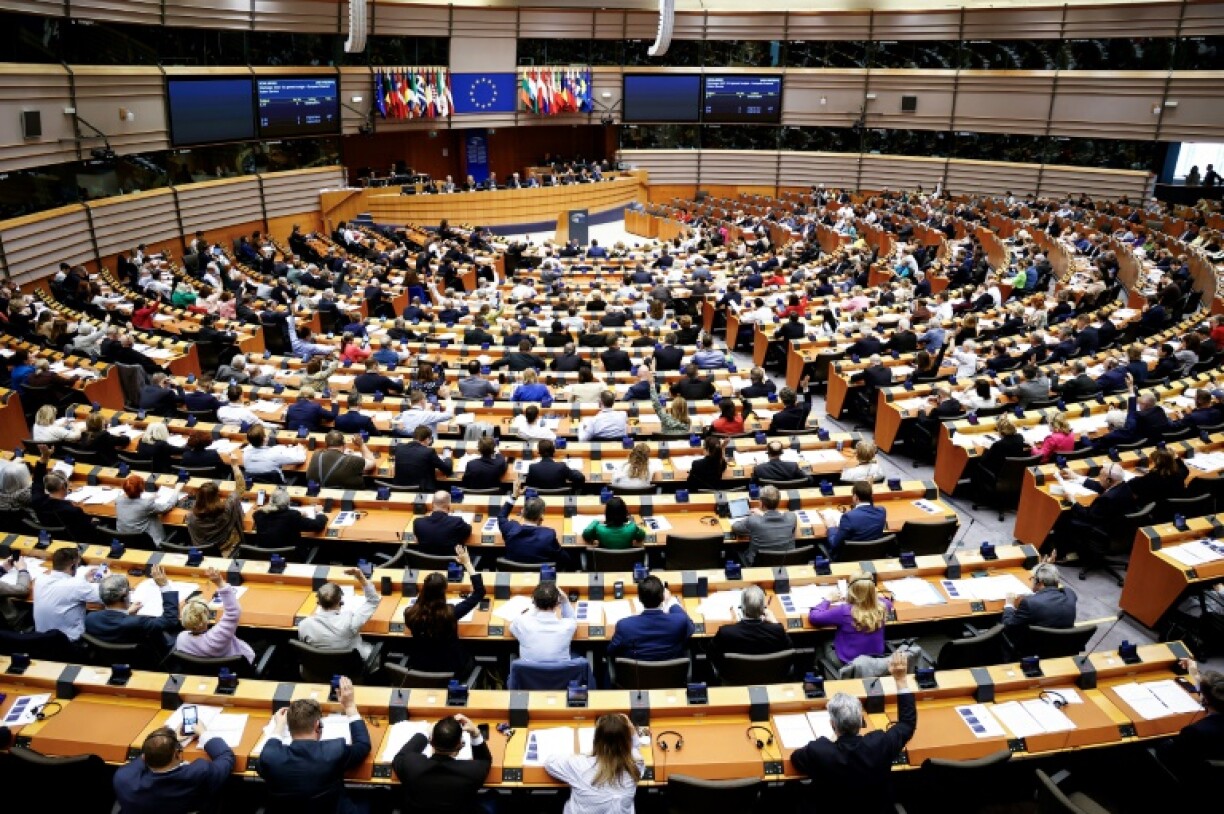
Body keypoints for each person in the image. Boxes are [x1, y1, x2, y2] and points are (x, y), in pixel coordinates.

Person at [791, 651, 916, 813]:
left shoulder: (820, 750)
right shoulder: (880, 744)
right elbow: (907, 723)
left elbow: (795, 759)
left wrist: (831, 739)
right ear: (861, 721)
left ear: (832, 725)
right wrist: (900, 680)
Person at [257, 678, 371, 814]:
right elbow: (363, 745)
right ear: (318, 725)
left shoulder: (270, 757)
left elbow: (269, 750)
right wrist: (350, 706)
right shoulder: (334, 751)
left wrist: (279, 727)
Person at [112, 725, 235, 814]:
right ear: (177, 754)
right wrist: (203, 733)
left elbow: (145, 757)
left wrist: (166, 744)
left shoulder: (123, 778)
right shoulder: (199, 773)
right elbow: (225, 757)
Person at [401, 546, 485, 673]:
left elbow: (422, 605)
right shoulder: (450, 613)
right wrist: (467, 563)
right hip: (452, 667)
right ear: (444, 591)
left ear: (423, 589)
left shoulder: (409, 613)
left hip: (421, 667)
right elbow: (479, 592)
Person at [392, 713, 492, 814]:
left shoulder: (411, 766)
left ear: (431, 741)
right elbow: (484, 761)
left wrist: (425, 733)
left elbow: (400, 757)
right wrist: (475, 733)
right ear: (460, 745)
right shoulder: (472, 771)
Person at [544, 713, 643, 814]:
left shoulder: (580, 765)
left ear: (596, 740)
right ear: (627, 741)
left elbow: (549, 763)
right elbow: (635, 748)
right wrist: (632, 731)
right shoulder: (636, 765)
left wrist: (576, 756)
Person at [1154, 656, 1224, 786]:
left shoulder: (1196, 732)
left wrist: (1162, 741)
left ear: (1205, 701)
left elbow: (1170, 755)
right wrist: (1195, 673)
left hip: (1198, 778)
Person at [807, 571, 893, 673]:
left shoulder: (844, 611)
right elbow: (881, 600)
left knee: (820, 641)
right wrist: (867, 595)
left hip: (848, 663)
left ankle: (819, 675)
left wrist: (827, 600)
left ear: (851, 591)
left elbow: (814, 617)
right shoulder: (884, 606)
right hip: (875, 661)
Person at [84, 565, 180, 655]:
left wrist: (127, 613)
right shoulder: (138, 622)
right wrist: (165, 586)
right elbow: (170, 620)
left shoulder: (90, 618)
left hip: (110, 659)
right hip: (151, 661)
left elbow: (115, 624)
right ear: (125, 595)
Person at [606, 575, 694, 670]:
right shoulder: (679, 621)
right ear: (662, 597)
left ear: (639, 598)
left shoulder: (624, 626)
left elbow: (611, 651)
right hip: (671, 678)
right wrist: (672, 602)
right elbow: (691, 627)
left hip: (635, 680)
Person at [706, 585, 793, 676]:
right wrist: (775, 622)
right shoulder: (777, 631)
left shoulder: (726, 632)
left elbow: (710, 653)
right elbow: (790, 648)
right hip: (770, 677)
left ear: (742, 607)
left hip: (734, 679)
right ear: (763, 608)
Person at [175, 566, 257, 663]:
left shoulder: (181, 639)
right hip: (238, 668)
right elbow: (233, 612)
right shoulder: (218, 637)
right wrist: (220, 583)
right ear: (207, 617)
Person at [298, 566, 381, 660]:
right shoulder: (350, 622)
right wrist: (360, 577)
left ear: (318, 603)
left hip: (318, 670)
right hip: (352, 669)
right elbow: (373, 601)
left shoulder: (304, 625)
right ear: (340, 602)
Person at [32, 546, 101, 641]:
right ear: (73, 566)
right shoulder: (76, 585)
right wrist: (109, 578)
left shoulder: (40, 579)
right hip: (70, 644)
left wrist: (84, 581)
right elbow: (107, 596)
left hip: (41, 640)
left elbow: (65, 587)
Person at [498, 484, 572, 569]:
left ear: (522, 512)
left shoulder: (510, 529)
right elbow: (565, 559)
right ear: (541, 517)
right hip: (541, 577)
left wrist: (514, 496)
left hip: (515, 577)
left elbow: (501, 516)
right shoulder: (548, 535)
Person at [185, 460, 247, 557]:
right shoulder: (226, 509)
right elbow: (240, 488)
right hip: (228, 547)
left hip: (204, 552)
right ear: (217, 496)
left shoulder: (191, 517)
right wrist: (235, 466)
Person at [1003, 555, 1077, 635]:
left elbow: (1009, 626)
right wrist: (1047, 569)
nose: (1032, 581)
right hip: (1064, 643)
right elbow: (1059, 586)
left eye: (1033, 578)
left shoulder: (1029, 603)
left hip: (1033, 645)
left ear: (1040, 583)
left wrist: (1009, 605)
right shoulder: (1070, 595)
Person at [509, 581, 577, 663]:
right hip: (560, 675)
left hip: (530, 675)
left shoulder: (521, 623)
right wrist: (565, 601)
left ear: (534, 602)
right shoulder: (568, 626)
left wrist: (535, 607)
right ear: (557, 603)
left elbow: (512, 627)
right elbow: (572, 619)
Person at [731, 485, 798, 565]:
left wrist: (761, 515)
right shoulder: (791, 518)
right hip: (784, 564)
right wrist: (762, 514)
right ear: (778, 502)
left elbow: (735, 527)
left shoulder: (754, 520)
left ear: (761, 503)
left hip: (757, 566)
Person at [822, 481, 887, 558]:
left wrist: (831, 527)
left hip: (847, 559)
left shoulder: (848, 517)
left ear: (856, 497)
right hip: (872, 555)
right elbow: (870, 508)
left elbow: (834, 544)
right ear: (870, 496)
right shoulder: (882, 512)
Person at [116, 473, 182, 547]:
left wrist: (150, 498)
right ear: (142, 489)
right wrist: (176, 491)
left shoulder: (119, 500)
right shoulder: (146, 504)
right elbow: (168, 506)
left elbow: (136, 503)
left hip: (128, 543)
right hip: (151, 544)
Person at [412, 491, 473, 557]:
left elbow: (416, 540)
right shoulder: (457, 522)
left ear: (432, 504)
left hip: (425, 565)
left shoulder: (418, 523)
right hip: (452, 565)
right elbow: (468, 531)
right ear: (449, 506)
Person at [307, 431, 376, 490]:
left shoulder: (316, 455)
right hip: (347, 498)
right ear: (344, 445)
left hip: (319, 495)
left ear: (326, 445)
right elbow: (372, 462)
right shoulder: (352, 460)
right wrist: (362, 445)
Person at [242, 423, 307, 484]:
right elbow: (301, 459)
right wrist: (300, 449)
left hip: (255, 485)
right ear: (265, 439)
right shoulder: (274, 453)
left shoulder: (246, 453)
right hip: (278, 487)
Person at [393, 425, 453, 490]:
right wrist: (447, 457)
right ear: (427, 440)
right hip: (423, 492)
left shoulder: (399, 447)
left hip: (400, 489)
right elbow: (447, 470)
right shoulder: (429, 452)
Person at [582, 496, 646, 551]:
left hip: (604, 564)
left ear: (607, 514)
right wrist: (632, 522)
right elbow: (642, 535)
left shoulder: (599, 529)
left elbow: (586, 533)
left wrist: (595, 521)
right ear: (624, 513)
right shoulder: (632, 528)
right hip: (627, 564)